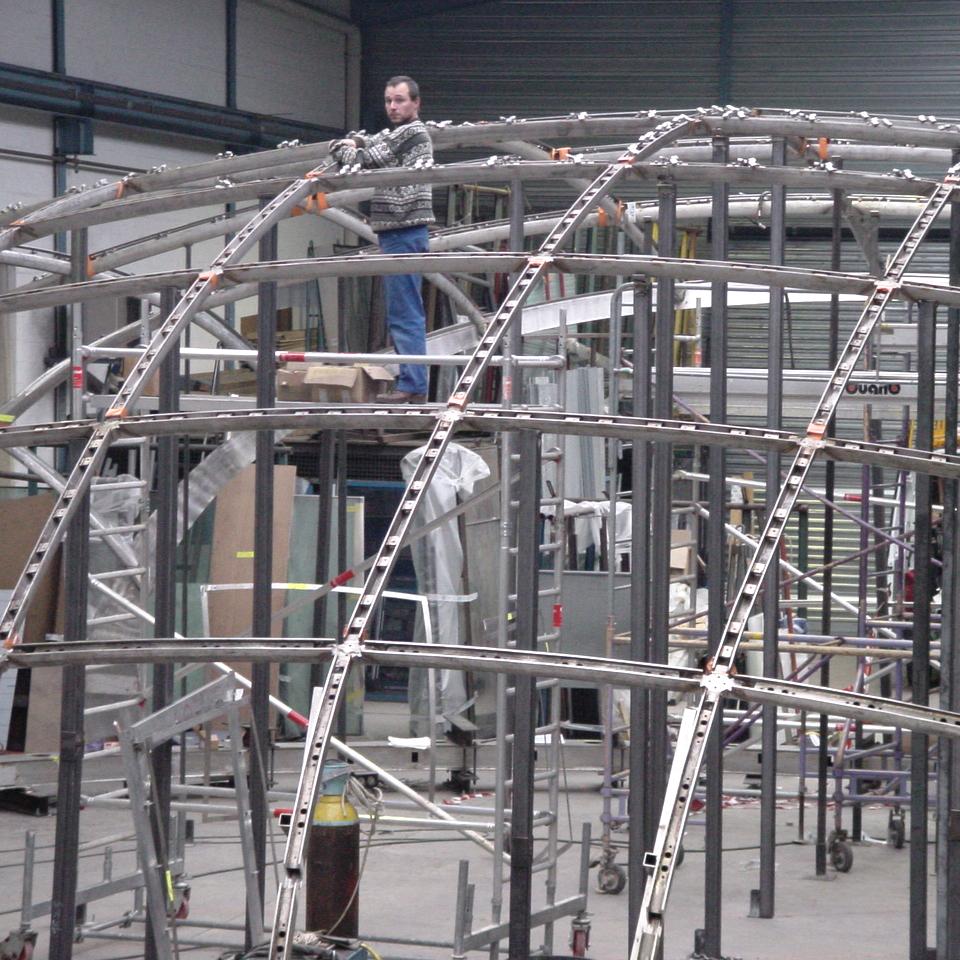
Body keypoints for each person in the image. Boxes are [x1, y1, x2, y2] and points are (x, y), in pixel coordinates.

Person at [330, 76, 435, 403]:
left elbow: (364, 159)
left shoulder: (411, 133)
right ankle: (412, 382)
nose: (392, 106)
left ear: (416, 103)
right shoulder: (397, 134)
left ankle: (413, 385)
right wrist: (356, 142)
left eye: (400, 100)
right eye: (389, 100)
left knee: (404, 312)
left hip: (404, 229)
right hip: (399, 230)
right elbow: (370, 141)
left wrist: (339, 148)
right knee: (403, 309)